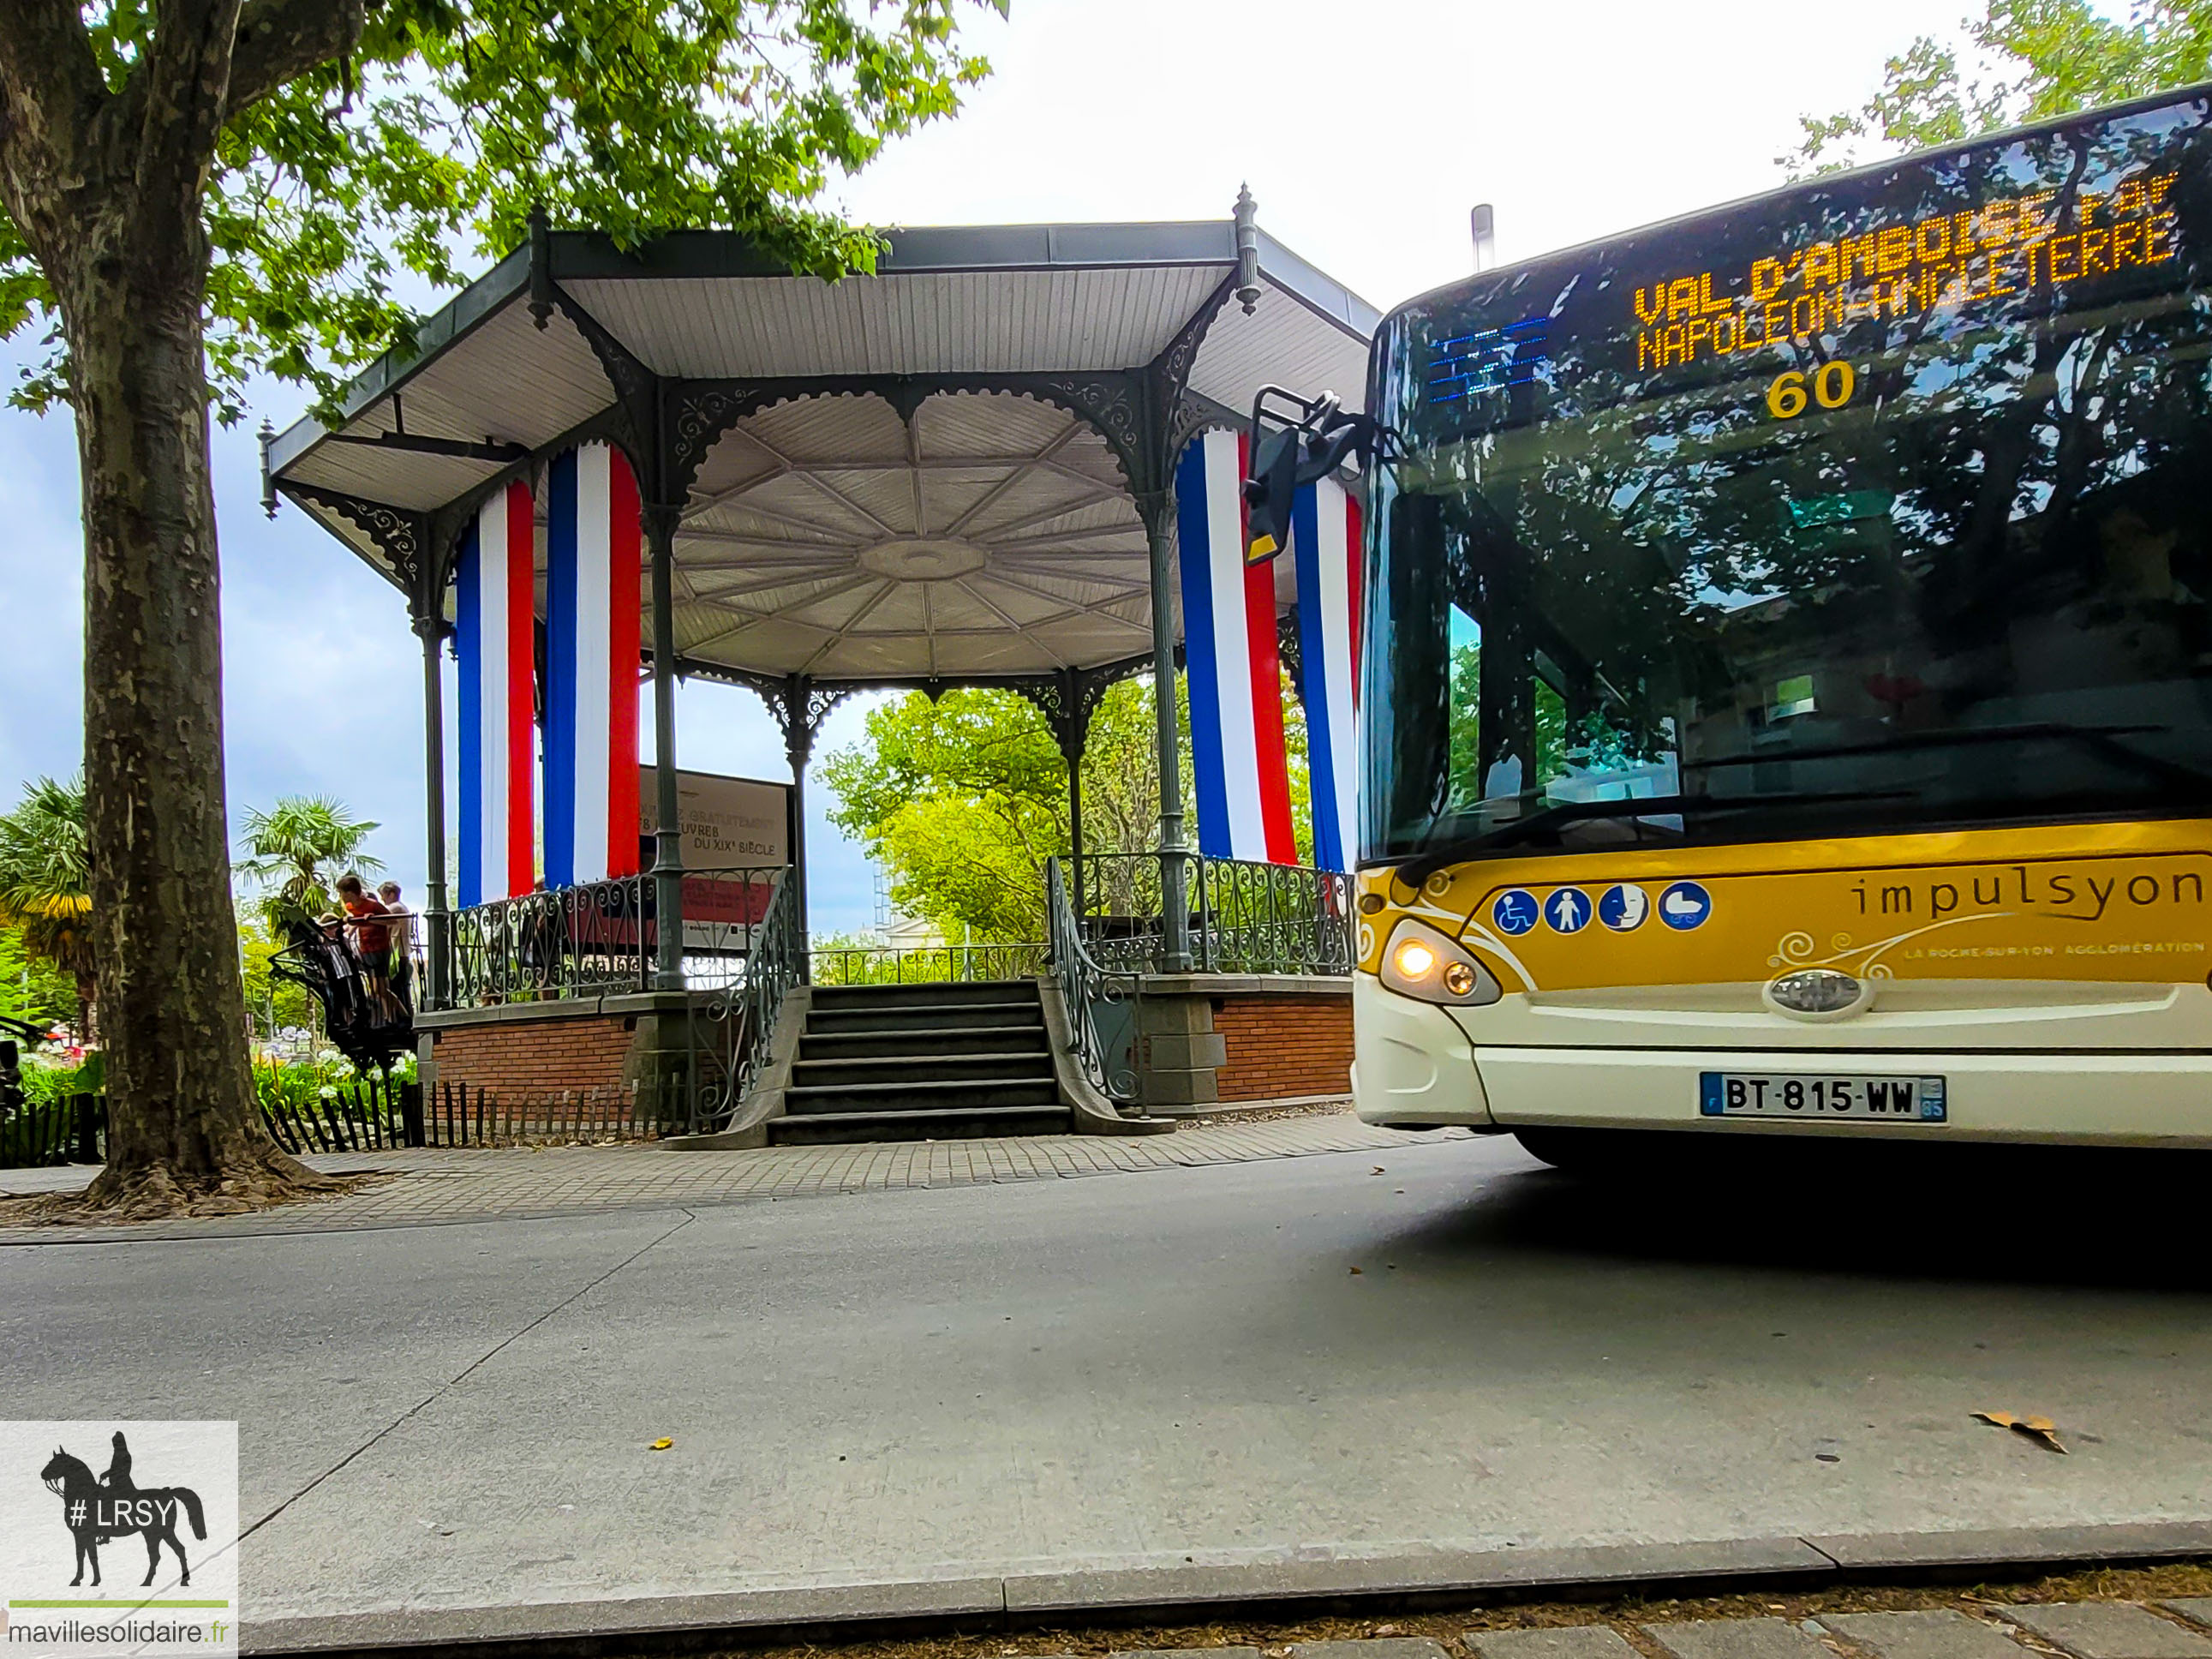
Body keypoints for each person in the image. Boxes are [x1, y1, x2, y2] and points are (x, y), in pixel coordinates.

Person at [335, 873, 404, 1022]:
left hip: (380, 947)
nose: (340, 896)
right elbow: (356, 923)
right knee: (376, 990)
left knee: (380, 987)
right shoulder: (350, 907)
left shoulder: (372, 905)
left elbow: (392, 921)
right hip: (365, 948)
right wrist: (351, 921)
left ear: (350, 893)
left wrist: (373, 920)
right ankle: (392, 1017)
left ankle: (398, 1016)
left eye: (341, 893)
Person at [378, 881, 417, 1008]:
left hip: (396, 953)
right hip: (402, 952)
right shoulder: (403, 907)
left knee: (396, 987)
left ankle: (401, 1016)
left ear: (392, 894)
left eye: (383, 895)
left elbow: (378, 919)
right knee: (401, 987)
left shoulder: (395, 908)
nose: (382, 899)